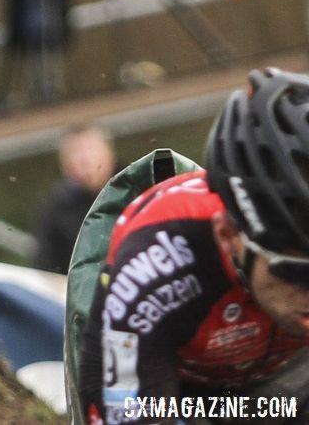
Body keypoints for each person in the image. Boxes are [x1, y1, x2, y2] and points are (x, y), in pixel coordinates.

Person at [75, 68, 309, 424]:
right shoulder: (158, 263)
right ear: (230, 235)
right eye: (295, 270)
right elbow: (129, 410)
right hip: (181, 397)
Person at [33, 124, 116, 273]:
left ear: (108, 153)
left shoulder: (137, 189)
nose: (85, 159)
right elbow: (46, 267)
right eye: (76, 153)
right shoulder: (53, 212)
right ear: (64, 164)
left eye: (90, 149)